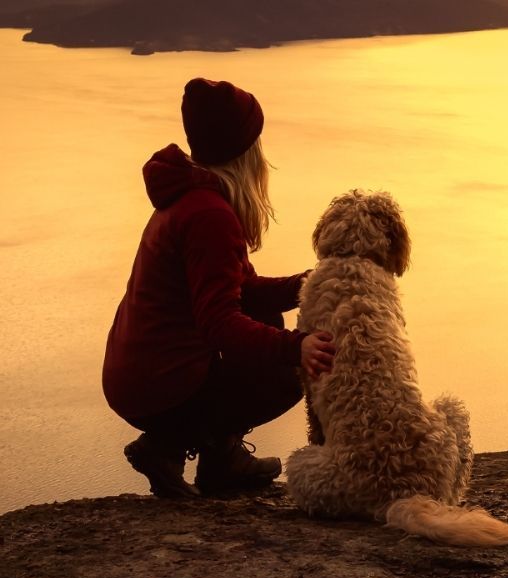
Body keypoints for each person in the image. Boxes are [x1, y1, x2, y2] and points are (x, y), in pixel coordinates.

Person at [102, 78, 336, 498]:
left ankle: (219, 459)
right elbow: (219, 322)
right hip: (159, 385)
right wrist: (295, 347)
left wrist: (310, 283)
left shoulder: (190, 196)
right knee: (286, 376)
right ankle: (167, 446)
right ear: (243, 150)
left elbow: (242, 290)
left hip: (140, 374)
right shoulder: (210, 215)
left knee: (265, 319)